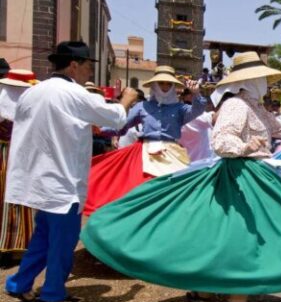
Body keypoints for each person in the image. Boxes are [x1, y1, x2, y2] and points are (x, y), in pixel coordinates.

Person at [81, 52, 281, 302]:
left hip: (253, 176)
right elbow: (222, 142)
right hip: (239, 179)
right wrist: (251, 146)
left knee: (227, 242)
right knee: (240, 248)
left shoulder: (253, 106)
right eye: (260, 78)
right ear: (248, 80)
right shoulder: (235, 105)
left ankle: (204, 297)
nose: (264, 83)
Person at [4, 41, 137, 302]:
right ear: (74, 65)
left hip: (39, 180)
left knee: (42, 239)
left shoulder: (33, 91)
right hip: (62, 182)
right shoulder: (73, 93)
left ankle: (19, 283)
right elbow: (115, 118)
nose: (90, 72)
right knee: (63, 243)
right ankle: (53, 293)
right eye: (88, 66)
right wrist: (127, 98)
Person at [84, 66, 206, 215]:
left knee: (176, 191)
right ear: (155, 85)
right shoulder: (142, 106)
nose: (165, 87)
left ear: (174, 86)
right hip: (144, 153)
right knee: (141, 191)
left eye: (168, 83)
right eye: (161, 83)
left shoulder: (180, 108)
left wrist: (196, 93)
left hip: (173, 153)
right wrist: (100, 130)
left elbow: (198, 110)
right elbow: (122, 126)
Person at [0, 70, 38, 263]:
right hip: (18, 157)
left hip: (18, 157)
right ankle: (14, 245)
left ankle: (13, 245)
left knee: (16, 200)